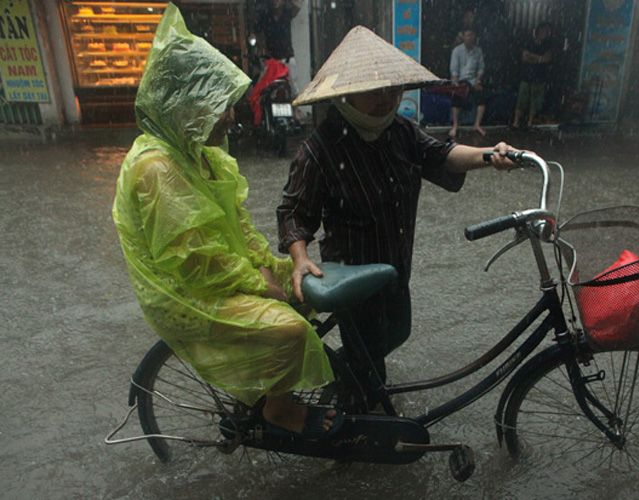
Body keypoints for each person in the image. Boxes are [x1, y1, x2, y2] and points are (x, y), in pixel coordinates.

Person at [112, 4, 340, 440]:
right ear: (185, 107)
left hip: (223, 273)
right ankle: (278, 407)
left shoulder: (203, 156)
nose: (233, 118)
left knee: (309, 290)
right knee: (289, 329)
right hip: (187, 293)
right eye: (221, 108)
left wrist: (277, 270)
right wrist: (261, 286)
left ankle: (263, 384)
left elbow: (240, 234)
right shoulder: (156, 169)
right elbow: (195, 262)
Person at [276, 26, 533, 406]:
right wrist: (299, 259)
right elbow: (295, 211)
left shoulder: (400, 132)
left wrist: (489, 156)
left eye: (393, 89)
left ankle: (345, 379)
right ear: (347, 93)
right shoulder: (321, 149)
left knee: (396, 331)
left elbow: (441, 154)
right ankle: (350, 427)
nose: (386, 100)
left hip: (395, 264)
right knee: (369, 369)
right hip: (354, 274)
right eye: (373, 92)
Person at [255, 0, 302, 117]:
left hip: (287, 57)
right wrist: (262, 48)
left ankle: (295, 112)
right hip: (272, 60)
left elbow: (297, 7)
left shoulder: (287, 13)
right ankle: (265, 115)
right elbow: (255, 33)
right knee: (265, 88)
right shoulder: (265, 16)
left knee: (294, 88)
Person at [510, 22, 555, 130]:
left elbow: (547, 58)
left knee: (535, 102)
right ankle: (516, 123)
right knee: (521, 100)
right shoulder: (529, 43)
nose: (545, 33)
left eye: (547, 31)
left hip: (539, 77)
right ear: (538, 31)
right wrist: (539, 59)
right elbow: (525, 58)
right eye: (544, 30)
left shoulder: (547, 45)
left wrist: (533, 57)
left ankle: (530, 123)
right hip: (526, 76)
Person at [449, 28, 488, 137]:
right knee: (457, 96)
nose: (470, 38)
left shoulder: (478, 51)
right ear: (463, 37)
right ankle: (455, 125)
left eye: (472, 35)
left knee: (482, 97)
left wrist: (478, 82)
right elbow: (454, 69)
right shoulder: (456, 51)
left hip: (474, 81)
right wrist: (456, 83)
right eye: (468, 36)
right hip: (461, 80)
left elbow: (481, 68)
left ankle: (477, 124)